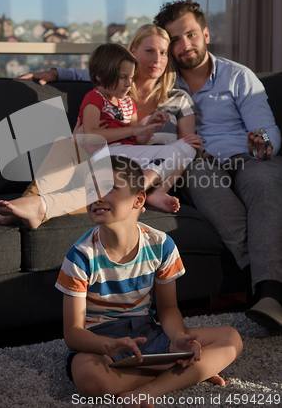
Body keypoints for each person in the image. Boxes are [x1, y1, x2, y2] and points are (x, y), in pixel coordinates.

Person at [56, 155, 243, 406]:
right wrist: (107, 345)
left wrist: (177, 337)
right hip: (99, 342)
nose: (97, 196)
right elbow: (73, 334)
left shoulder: (161, 245)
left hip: (146, 333)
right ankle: (187, 371)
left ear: (138, 199)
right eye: (92, 189)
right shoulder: (79, 257)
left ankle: (150, 390)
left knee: (231, 339)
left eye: (109, 188)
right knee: (90, 380)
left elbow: (167, 309)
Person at [0, 25, 202, 228]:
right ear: (132, 52)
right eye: (149, 51)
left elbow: (141, 140)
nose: (157, 59)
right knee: (66, 146)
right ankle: (28, 205)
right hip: (101, 159)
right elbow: (89, 82)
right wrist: (56, 73)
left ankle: (134, 190)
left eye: (163, 53)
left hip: (136, 168)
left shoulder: (173, 98)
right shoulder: (108, 91)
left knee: (186, 147)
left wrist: (148, 127)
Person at [153, 0, 282, 331]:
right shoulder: (163, 84)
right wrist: (58, 72)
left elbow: (266, 128)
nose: (185, 46)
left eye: (191, 35)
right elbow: (113, 69)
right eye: (175, 41)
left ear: (206, 34)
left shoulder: (238, 76)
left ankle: (267, 291)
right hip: (199, 162)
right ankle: (267, 286)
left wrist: (263, 144)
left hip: (248, 157)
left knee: (265, 181)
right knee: (199, 178)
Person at [77, 41, 197, 213]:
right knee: (173, 153)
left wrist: (149, 126)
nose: (128, 83)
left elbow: (137, 140)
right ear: (100, 76)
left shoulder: (127, 101)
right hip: (103, 156)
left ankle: (156, 192)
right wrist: (135, 129)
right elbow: (90, 135)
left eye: (131, 77)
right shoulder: (94, 98)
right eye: (122, 77)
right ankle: (135, 193)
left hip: (128, 155)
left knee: (188, 147)